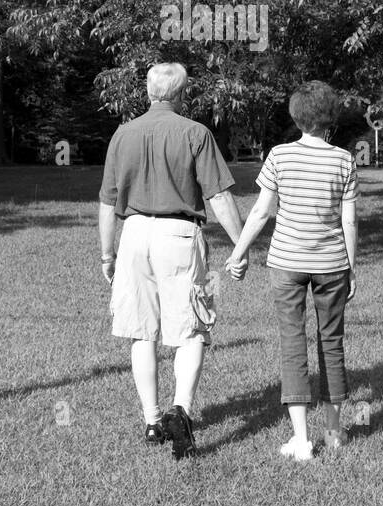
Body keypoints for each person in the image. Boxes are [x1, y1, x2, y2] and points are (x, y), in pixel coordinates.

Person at [98, 62, 247, 460]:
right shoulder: (195, 133)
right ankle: (180, 410)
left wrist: (107, 254)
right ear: (181, 94)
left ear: (148, 92)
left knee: (141, 331)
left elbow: (108, 201)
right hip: (179, 235)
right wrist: (240, 244)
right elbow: (218, 196)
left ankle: (151, 422)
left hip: (134, 234)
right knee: (192, 329)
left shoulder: (123, 134)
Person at [225, 81, 358, 461]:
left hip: (286, 263)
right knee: (331, 342)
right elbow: (349, 220)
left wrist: (238, 253)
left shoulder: (279, 156)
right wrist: (351, 267)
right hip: (332, 265)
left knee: (292, 342)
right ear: (331, 118)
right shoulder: (344, 160)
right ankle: (333, 433)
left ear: (296, 117)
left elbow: (261, 212)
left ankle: (301, 440)